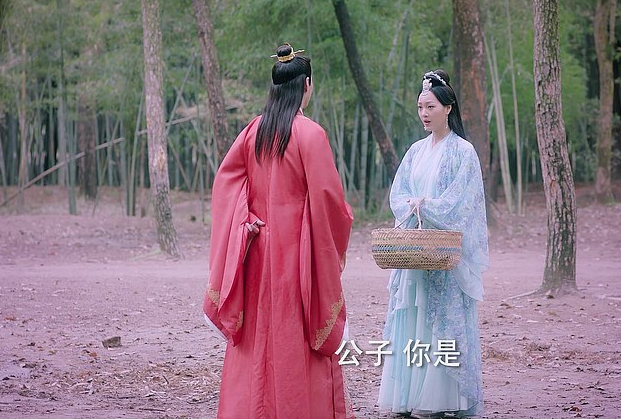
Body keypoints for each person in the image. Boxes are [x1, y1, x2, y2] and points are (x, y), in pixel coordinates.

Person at [203, 43, 355, 419]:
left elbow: (226, 184)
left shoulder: (253, 132)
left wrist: (245, 223)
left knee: (256, 341)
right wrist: (337, 229)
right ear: (306, 85)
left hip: (256, 256)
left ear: (275, 89)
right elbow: (330, 203)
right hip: (297, 259)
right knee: (295, 337)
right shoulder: (310, 134)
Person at [377, 70, 489, 418]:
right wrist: (412, 206)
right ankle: (410, 396)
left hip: (444, 254)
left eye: (431, 107)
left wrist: (424, 207)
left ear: (448, 108)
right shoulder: (415, 151)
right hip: (415, 251)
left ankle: (440, 399)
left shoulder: (464, 152)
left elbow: (461, 203)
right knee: (414, 316)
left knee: (440, 320)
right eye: (420, 107)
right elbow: (399, 193)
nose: (424, 113)